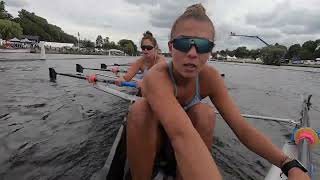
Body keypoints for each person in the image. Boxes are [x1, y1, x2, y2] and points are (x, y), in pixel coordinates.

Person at [126, 3, 311, 180]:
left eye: (203, 45)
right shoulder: (156, 77)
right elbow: (180, 134)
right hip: (155, 137)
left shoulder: (210, 78)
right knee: (139, 110)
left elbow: (242, 129)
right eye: (183, 43)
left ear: (210, 51)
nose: (192, 53)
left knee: (205, 113)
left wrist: (288, 163)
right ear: (171, 47)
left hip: (186, 139)